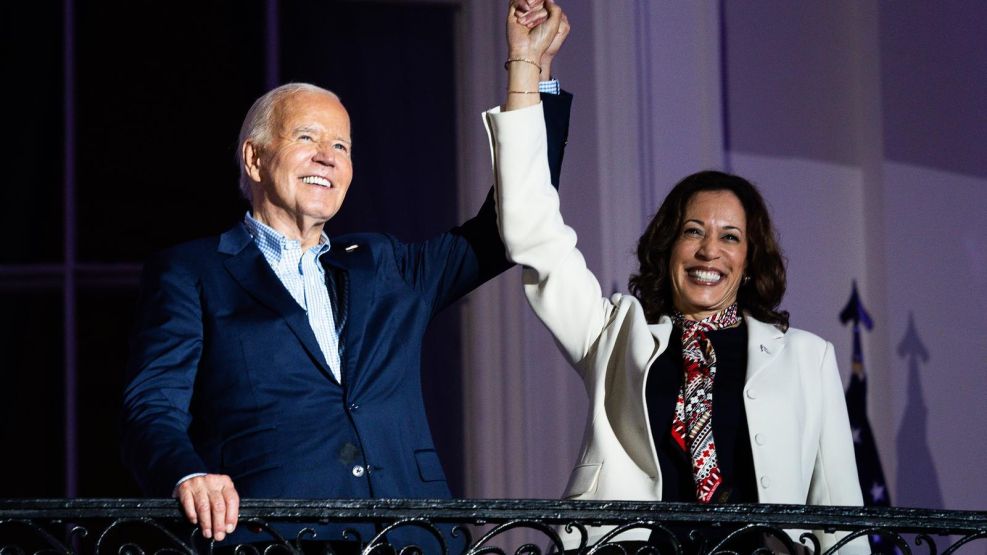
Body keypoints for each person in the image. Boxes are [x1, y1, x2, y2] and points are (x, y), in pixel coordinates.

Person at [120, 6, 571, 552]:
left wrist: (528, 70)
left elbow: (509, 226)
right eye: (307, 137)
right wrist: (187, 476)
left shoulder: (384, 265)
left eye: (342, 146)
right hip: (275, 540)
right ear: (255, 158)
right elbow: (152, 408)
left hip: (414, 537)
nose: (327, 158)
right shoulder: (192, 271)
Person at [484, 2, 867, 553]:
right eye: (693, 231)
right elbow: (531, 234)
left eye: (730, 237)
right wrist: (524, 67)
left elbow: (840, 520)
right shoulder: (614, 335)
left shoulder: (810, 360)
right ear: (668, 247)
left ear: (750, 258)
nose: (710, 250)